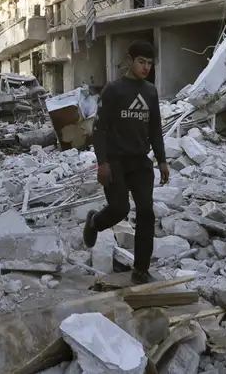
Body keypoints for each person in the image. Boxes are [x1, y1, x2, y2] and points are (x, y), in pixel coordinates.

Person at [81, 40, 169, 285]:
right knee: (120, 209)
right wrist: (102, 163)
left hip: (140, 162)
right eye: (141, 62)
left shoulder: (150, 92)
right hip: (115, 161)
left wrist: (162, 160)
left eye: (150, 63)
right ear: (130, 60)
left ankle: (141, 270)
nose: (145, 67)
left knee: (146, 213)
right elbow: (99, 129)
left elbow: (155, 128)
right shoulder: (114, 90)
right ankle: (95, 222)